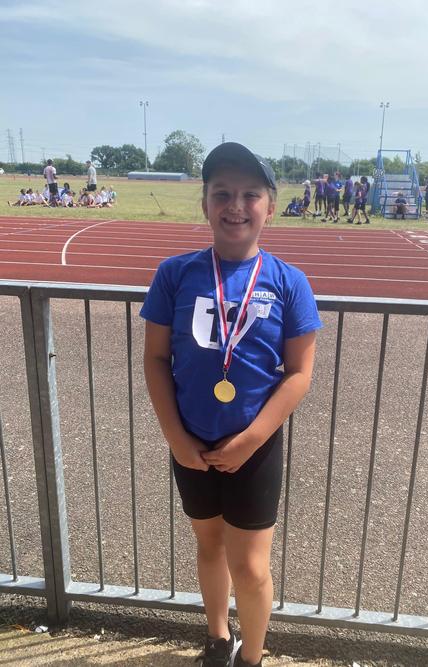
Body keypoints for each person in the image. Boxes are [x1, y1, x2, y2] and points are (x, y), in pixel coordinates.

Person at [141, 142, 321, 667]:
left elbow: (299, 374)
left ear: (270, 206)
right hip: (190, 441)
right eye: (222, 194)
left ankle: (252, 658)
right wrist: (176, 438)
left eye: (249, 195)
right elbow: (155, 359)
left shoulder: (289, 282)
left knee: (252, 567)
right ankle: (218, 640)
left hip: (254, 444)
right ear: (205, 203)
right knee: (210, 545)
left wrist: (251, 440)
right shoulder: (175, 274)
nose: (235, 206)